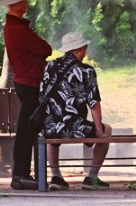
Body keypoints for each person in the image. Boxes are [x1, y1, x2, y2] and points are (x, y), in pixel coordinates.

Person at [40, 31, 113, 191]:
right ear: (80, 49)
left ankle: (56, 177)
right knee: (107, 130)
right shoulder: (86, 71)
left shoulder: (50, 66)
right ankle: (91, 178)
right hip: (75, 127)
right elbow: (94, 103)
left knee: (52, 129)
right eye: (85, 48)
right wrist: (99, 130)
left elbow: (42, 96)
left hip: (50, 128)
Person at [0, 0, 53, 190]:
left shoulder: (15, 27)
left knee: (28, 130)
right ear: (15, 4)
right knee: (26, 131)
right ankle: (20, 175)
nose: (27, 2)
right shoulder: (17, 28)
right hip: (30, 82)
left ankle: (23, 174)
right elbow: (45, 48)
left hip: (27, 81)